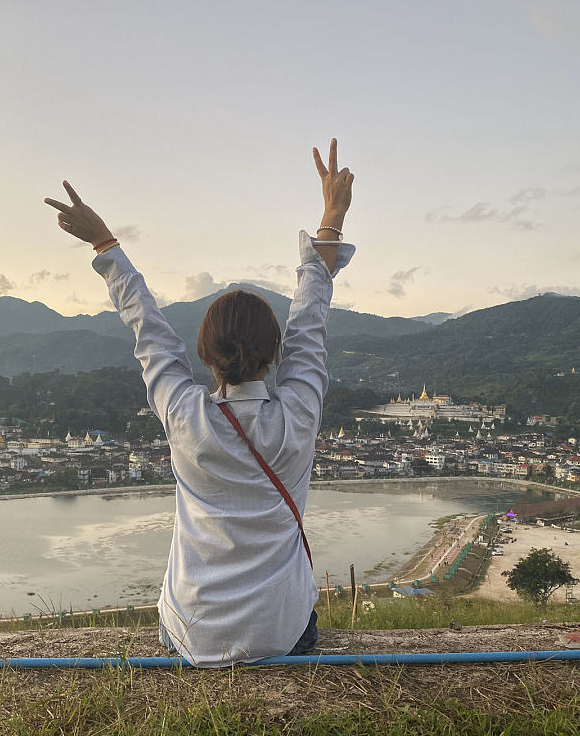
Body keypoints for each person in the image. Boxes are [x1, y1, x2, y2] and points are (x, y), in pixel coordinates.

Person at [45, 138, 356, 667]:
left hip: (193, 635)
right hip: (284, 633)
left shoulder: (186, 416)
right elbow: (310, 320)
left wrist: (104, 243)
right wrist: (331, 216)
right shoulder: (298, 414)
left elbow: (149, 330)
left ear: (206, 356)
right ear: (276, 354)